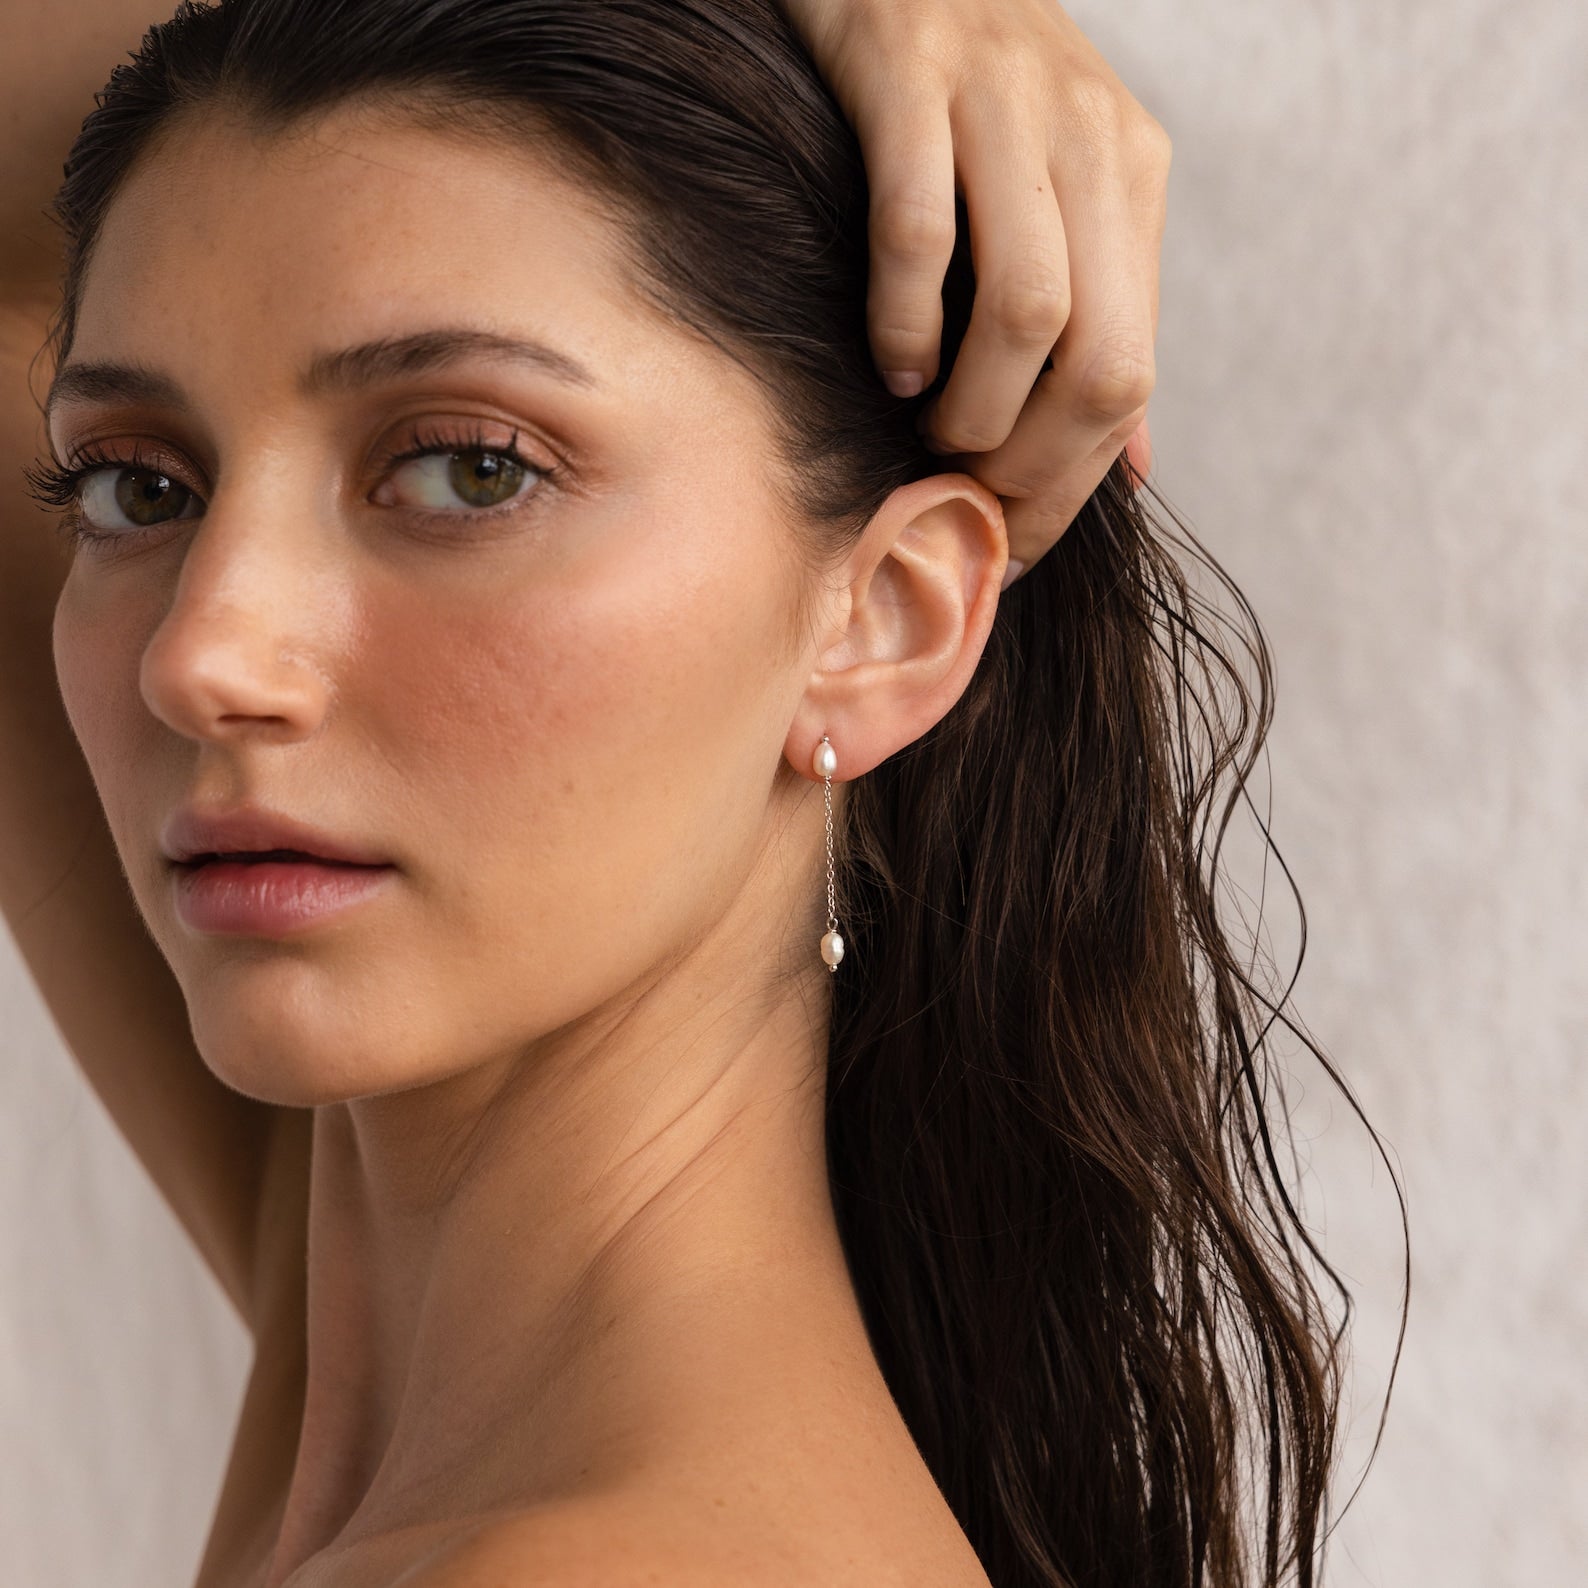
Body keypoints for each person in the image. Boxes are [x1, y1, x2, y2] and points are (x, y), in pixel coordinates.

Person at [0, 2, 1385, 1586]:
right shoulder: (393, 1348)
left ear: (884, 619)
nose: (203, 653)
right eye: (138, 485)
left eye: (469, 466)